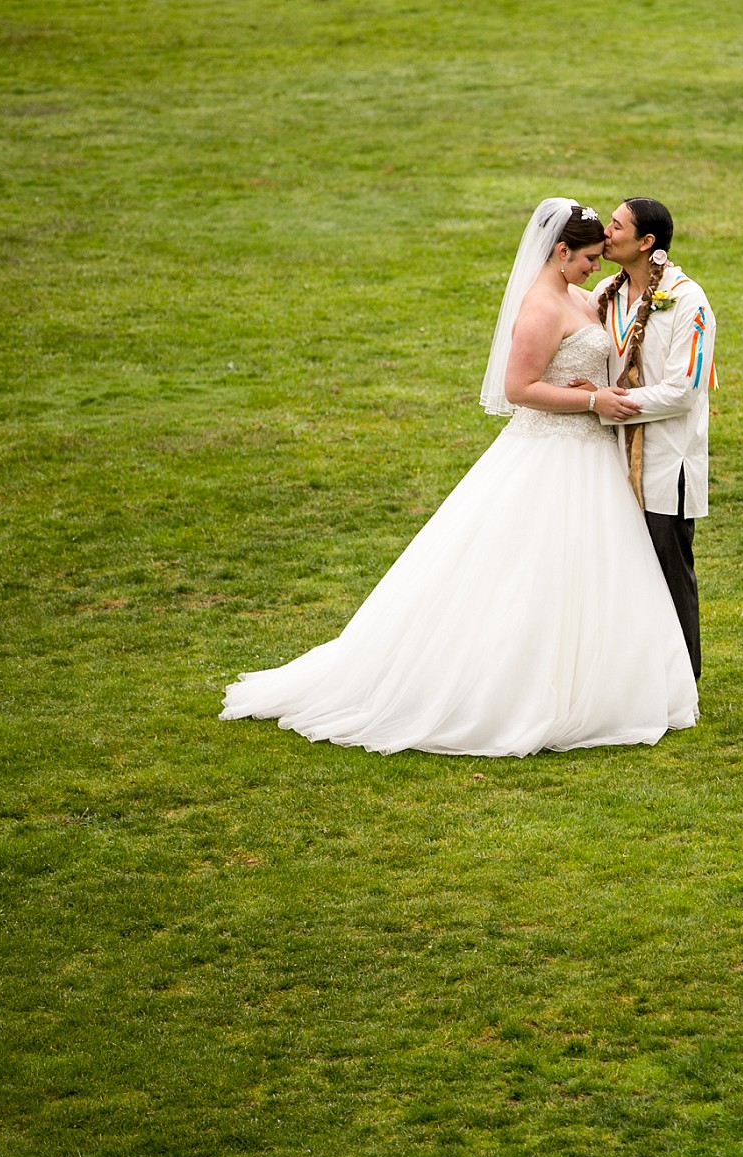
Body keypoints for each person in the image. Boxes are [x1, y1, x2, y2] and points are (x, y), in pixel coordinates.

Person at [220, 198, 698, 754]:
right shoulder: (543, 306)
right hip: (553, 456)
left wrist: (586, 392)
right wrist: (592, 399)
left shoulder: (582, 295)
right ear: (561, 251)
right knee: (529, 572)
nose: (598, 266)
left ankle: (602, 681)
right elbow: (519, 389)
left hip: (591, 457)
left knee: (592, 568)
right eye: (589, 257)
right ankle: (519, 689)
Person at [589, 198, 714, 678]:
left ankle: (684, 680)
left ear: (647, 243)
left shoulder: (688, 300)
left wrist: (613, 406)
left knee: (668, 573)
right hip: (606, 456)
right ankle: (628, 677)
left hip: (667, 460)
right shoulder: (606, 291)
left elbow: (685, 390)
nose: (607, 231)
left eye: (617, 226)